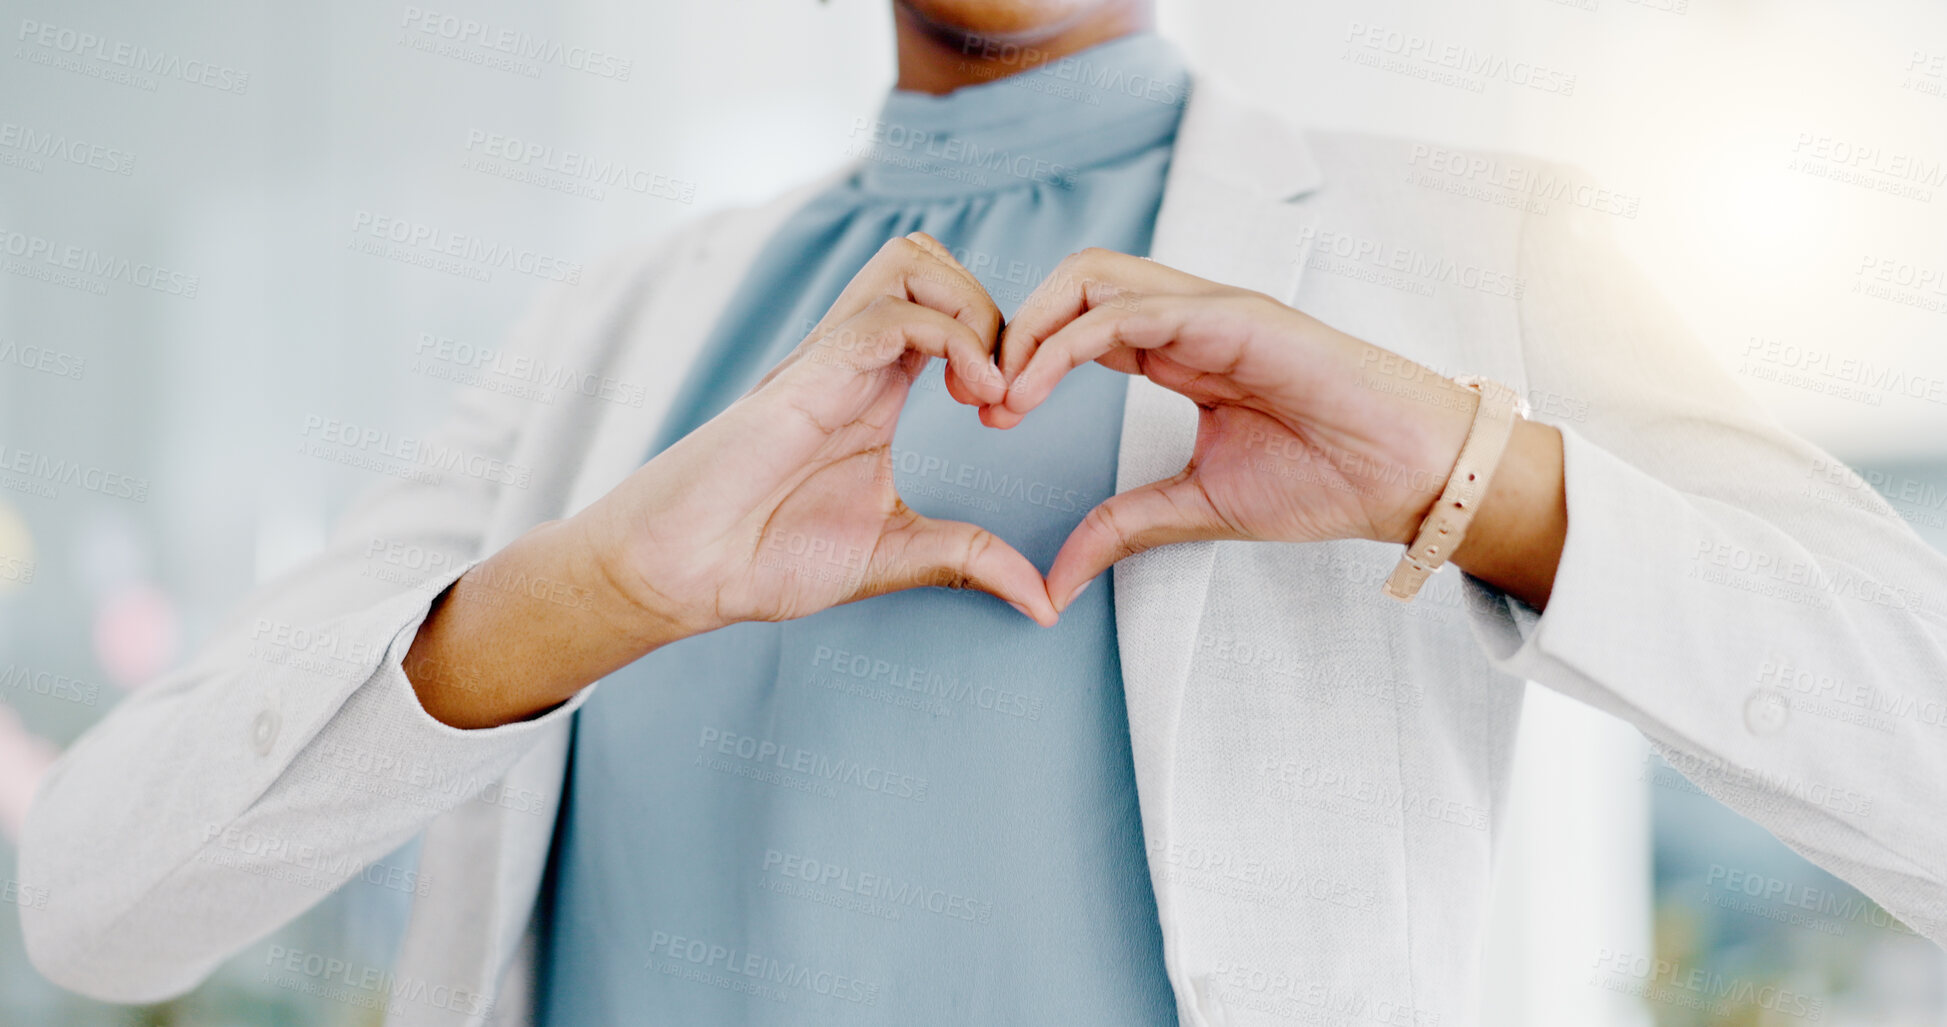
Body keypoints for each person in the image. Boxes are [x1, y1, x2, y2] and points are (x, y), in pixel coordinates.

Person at [21, 1, 1947, 1024]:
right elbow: (97, 906)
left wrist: (1480, 475)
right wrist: (591, 592)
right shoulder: (613, 334)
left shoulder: (1474, 251)